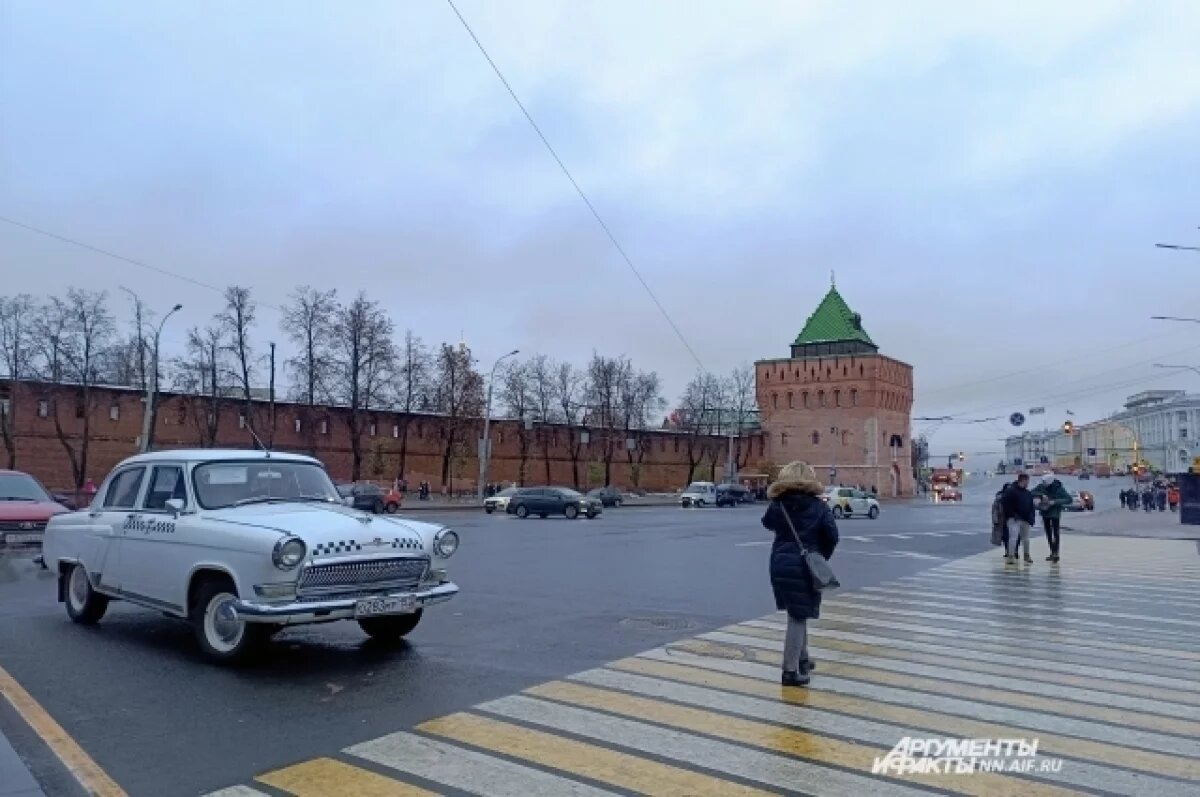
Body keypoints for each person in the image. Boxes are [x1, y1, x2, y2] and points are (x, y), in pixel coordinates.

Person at [761, 461, 839, 688]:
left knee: (797, 612)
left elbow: (767, 524)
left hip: (779, 563)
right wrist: (819, 556)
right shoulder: (818, 507)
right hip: (805, 565)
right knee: (797, 616)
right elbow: (832, 536)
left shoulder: (778, 505)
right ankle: (790, 671)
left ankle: (803, 659)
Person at [1031, 476, 1071, 563]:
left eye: (1046, 484)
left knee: (1055, 533)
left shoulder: (1059, 488)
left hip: (1055, 513)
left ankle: (1055, 553)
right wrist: (1041, 495)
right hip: (1045, 512)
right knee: (1049, 533)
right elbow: (1031, 492)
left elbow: (1069, 499)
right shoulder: (1041, 486)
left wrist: (1055, 502)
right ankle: (1052, 552)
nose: (1044, 486)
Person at [999, 472, 1035, 564]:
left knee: (1025, 539)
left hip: (1026, 519)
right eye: (1027, 481)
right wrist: (1011, 515)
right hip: (1014, 519)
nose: (1028, 483)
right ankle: (1011, 556)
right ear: (1023, 480)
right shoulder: (1011, 491)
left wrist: (1031, 518)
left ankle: (1026, 555)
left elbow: (1031, 506)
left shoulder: (1027, 493)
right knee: (1013, 537)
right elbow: (1005, 504)